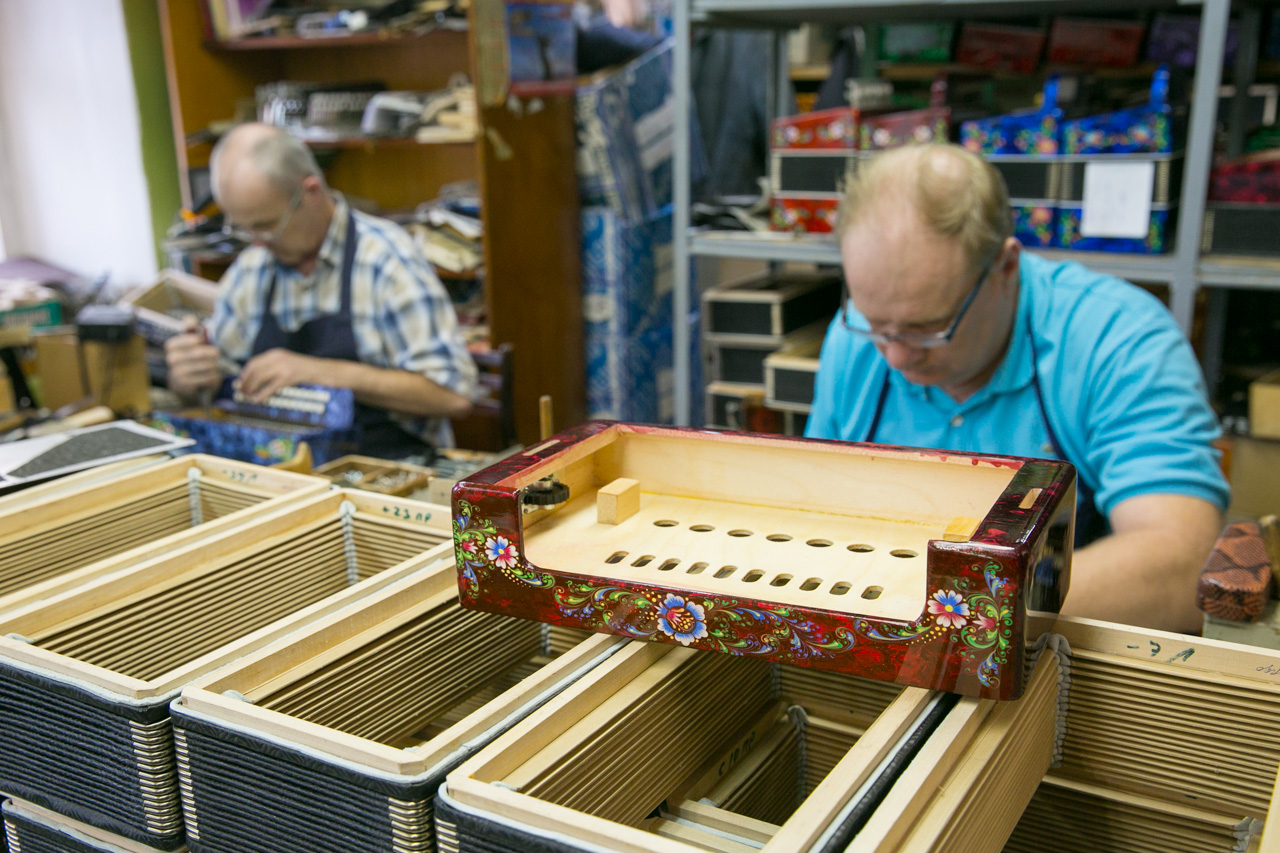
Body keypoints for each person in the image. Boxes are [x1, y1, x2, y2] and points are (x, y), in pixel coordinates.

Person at [806, 143, 1229, 634]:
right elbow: (812, 517)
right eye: (877, 325)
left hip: (1054, 664)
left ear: (1006, 267)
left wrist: (955, 616)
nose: (897, 356)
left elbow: (1180, 570)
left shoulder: (1117, 341)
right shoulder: (853, 340)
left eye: (930, 328)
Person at [164, 123, 476, 459]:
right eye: (243, 229)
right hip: (282, 470)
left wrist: (319, 371)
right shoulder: (253, 269)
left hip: (384, 465)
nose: (256, 242)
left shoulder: (385, 260)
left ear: (310, 192)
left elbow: (453, 394)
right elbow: (215, 385)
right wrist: (191, 378)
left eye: (266, 225)